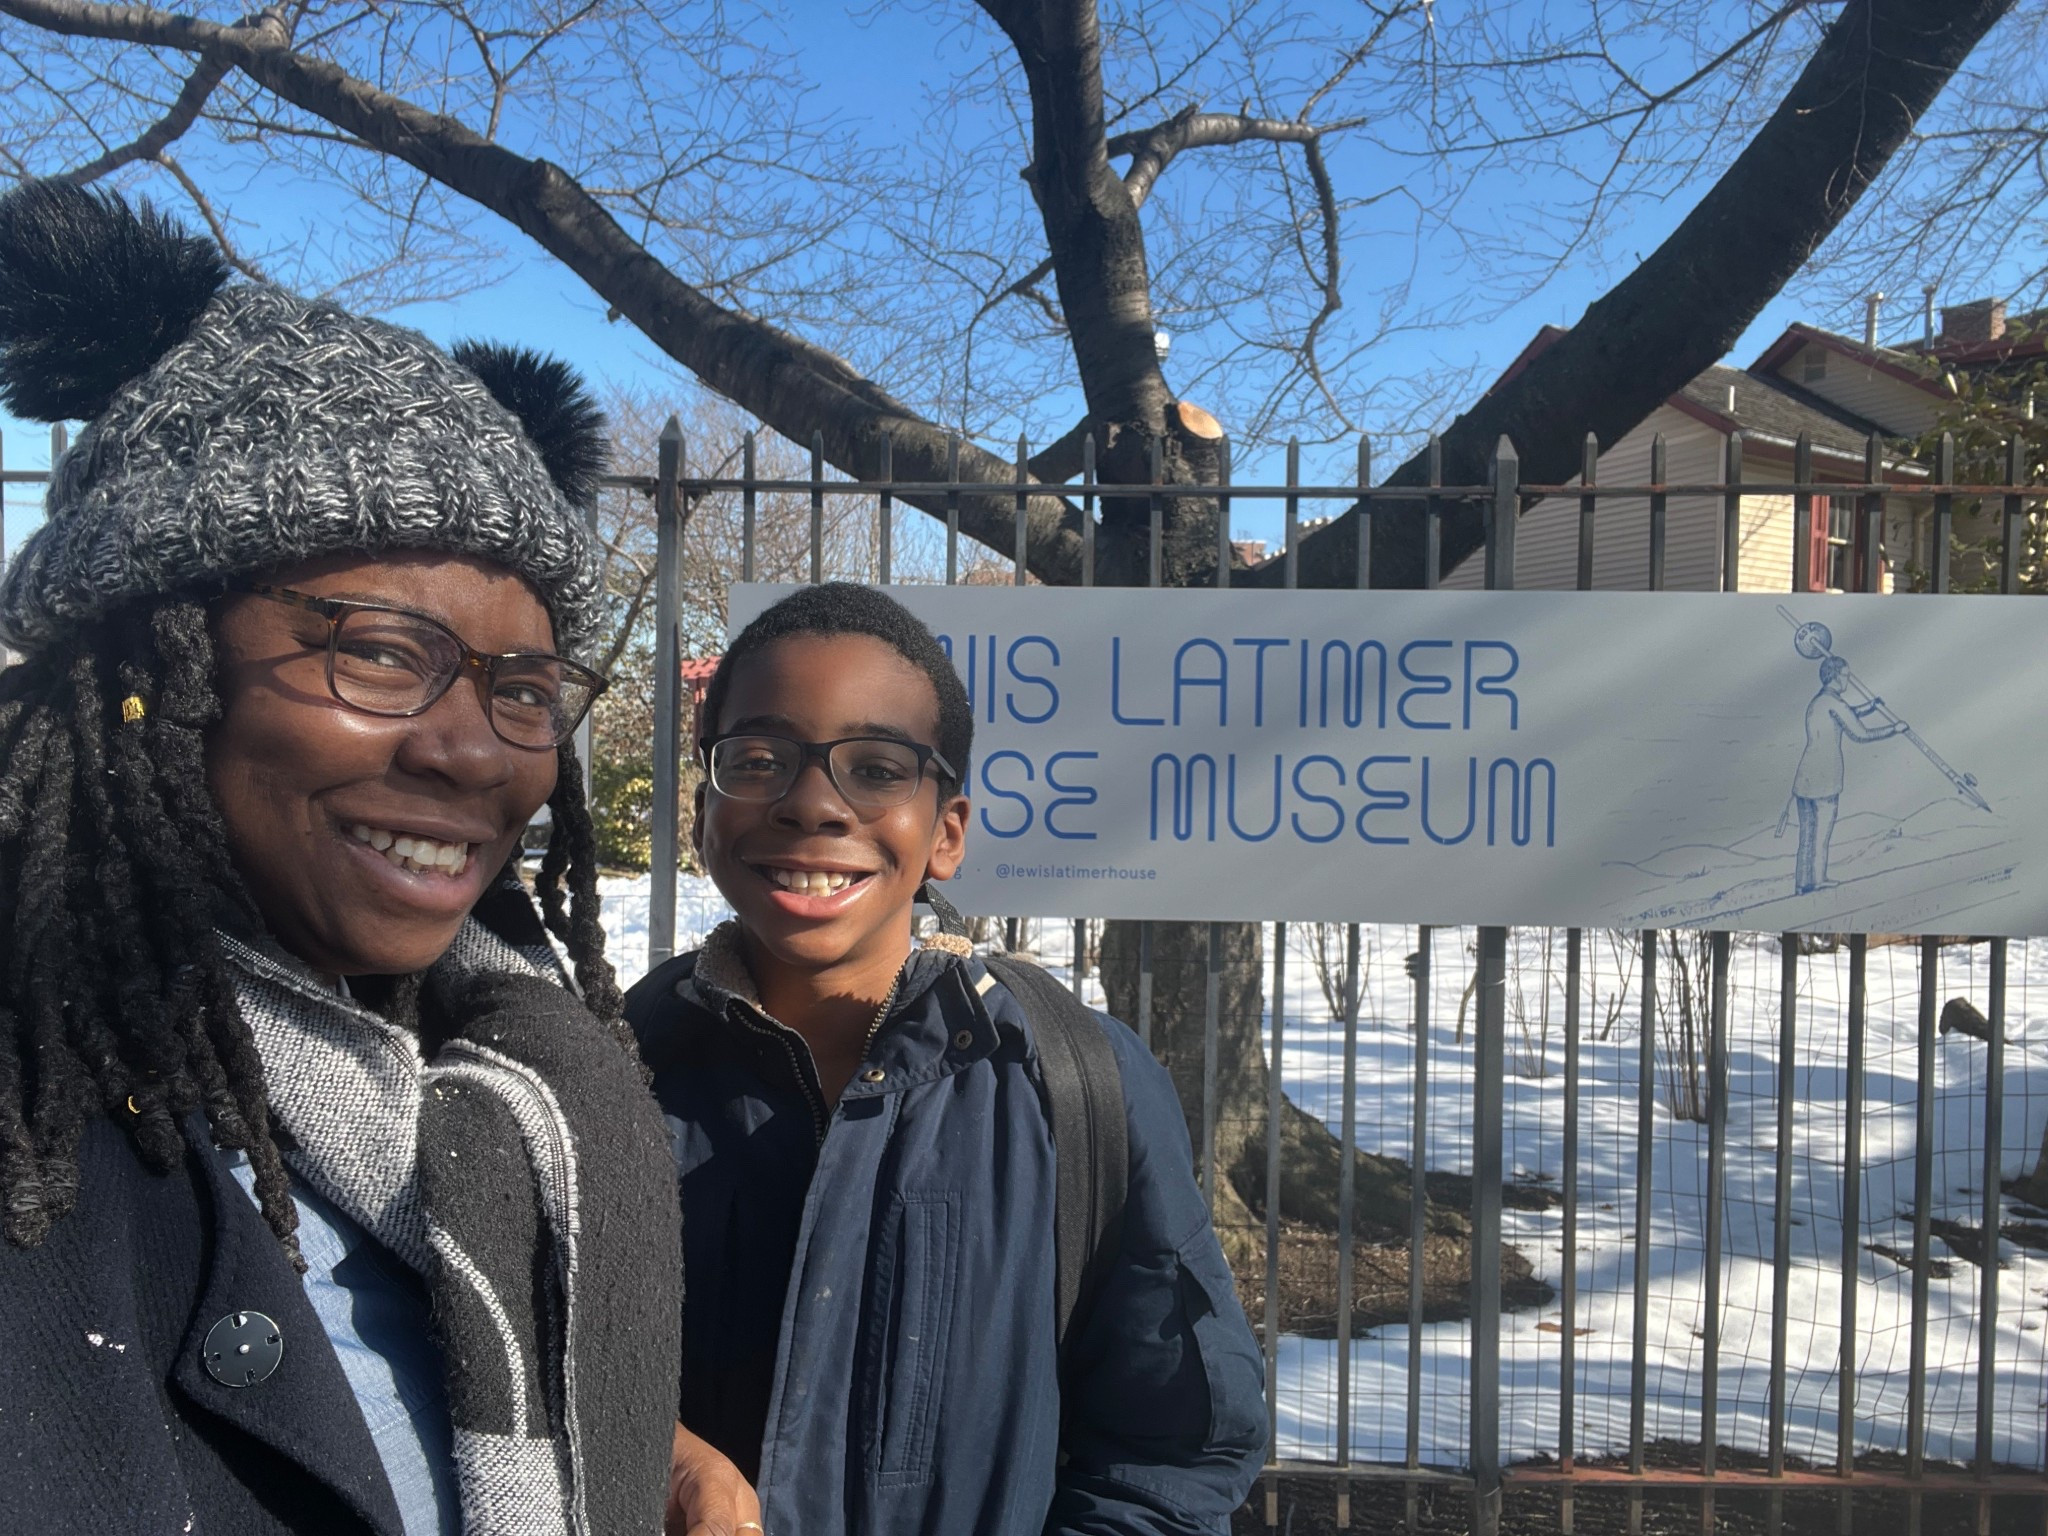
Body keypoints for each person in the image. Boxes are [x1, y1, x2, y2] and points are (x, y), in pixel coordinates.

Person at [0, 181, 750, 1536]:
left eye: (524, 687)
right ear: (149, 650)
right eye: (383, 653)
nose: (473, 751)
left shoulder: (508, 1063)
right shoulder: (40, 1081)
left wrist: (642, 1443)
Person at [626, 582, 1268, 1535]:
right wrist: (663, 1456)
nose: (813, 804)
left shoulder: (1079, 1085)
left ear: (947, 833)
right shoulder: (612, 1069)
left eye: (878, 769)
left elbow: (1171, 1457)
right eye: (758, 760)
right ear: (702, 812)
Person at [1791, 654, 1907, 894]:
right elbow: (1861, 734)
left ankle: (1803, 884)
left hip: (1805, 777)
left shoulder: (1819, 702)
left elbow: (1847, 714)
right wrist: (1894, 729)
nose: (1848, 679)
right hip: (1824, 778)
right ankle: (1818, 880)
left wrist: (1869, 707)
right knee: (1820, 835)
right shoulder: (1836, 704)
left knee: (1807, 836)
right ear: (1835, 677)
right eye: (1845, 675)